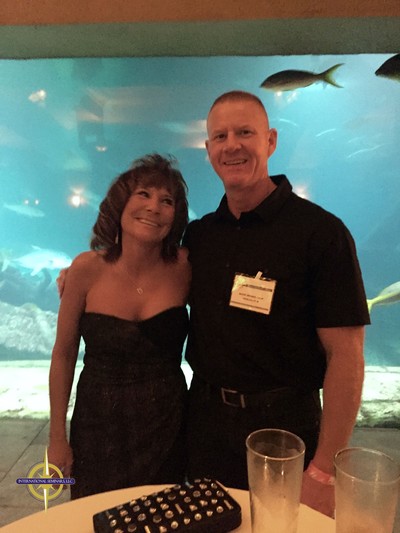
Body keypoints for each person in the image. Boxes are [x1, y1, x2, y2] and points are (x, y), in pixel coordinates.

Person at [182, 90, 369, 518]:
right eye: (220, 136)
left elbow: (346, 356)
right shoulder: (200, 236)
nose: (232, 145)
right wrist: (86, 270)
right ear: (208, 150)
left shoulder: (322, 234)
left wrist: (324, 470)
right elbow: (146, 271)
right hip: (205, 423)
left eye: (245, 132)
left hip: (285, 429)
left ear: (270, 141)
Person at [48, 153, 190, 499]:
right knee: (94, 516)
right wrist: (57, 438)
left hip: (169, 426)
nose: (154, 207)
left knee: (165, 515)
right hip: (98, 427)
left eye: (167, 200)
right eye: (144, 194)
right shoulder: (85, 270)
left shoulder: (187, 267)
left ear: (176, 215)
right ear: (120, 204)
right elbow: (64, 355)